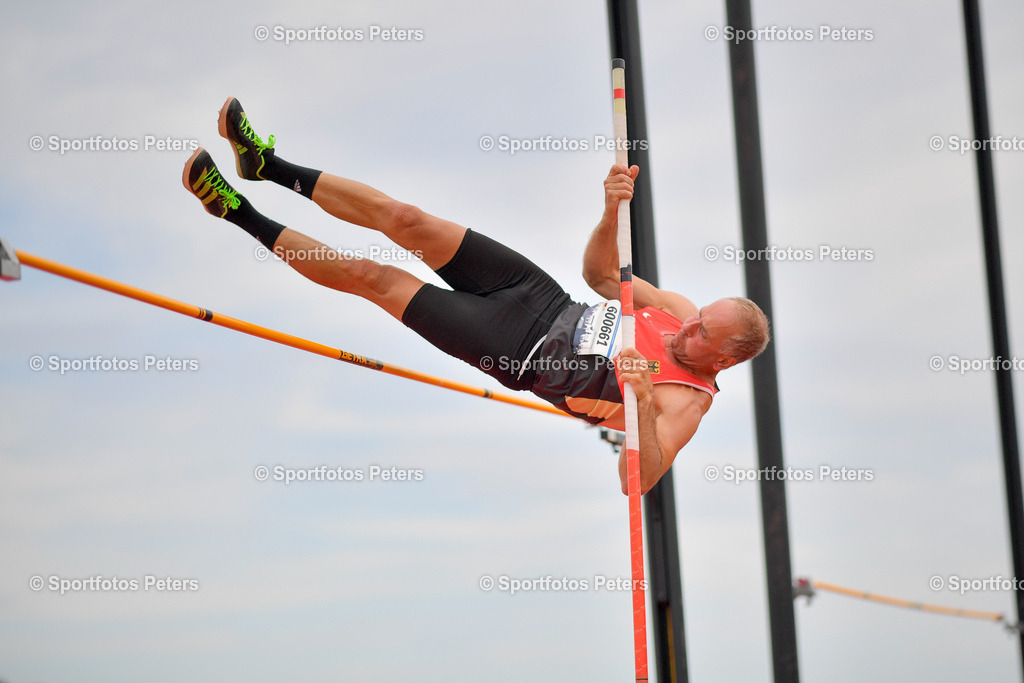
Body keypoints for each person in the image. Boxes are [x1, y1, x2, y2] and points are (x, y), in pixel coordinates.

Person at [183, 97, 770, 495]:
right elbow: (597, 276)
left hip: (516, 348)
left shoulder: (686, 404)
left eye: (699, 337)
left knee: (376, 279)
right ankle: (266, 164)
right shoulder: (681, 311)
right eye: (696, 320)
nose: (685, 328)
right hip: (541, 295)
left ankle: (235, 210)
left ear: (723, 360)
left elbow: (633, 480)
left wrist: (640, 398)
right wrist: (612, 209)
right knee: (405, 218)